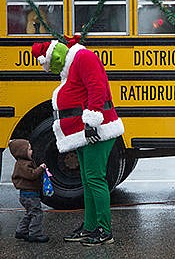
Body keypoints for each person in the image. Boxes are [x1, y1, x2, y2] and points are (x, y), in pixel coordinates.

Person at [31, 37, 124, 246]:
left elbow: (97, 87)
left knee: (95, 180)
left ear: (55, 56)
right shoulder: (72, 65)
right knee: (88, 181)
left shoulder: (83, 57)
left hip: (97, 130)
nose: (51, 71)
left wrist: (92, 120)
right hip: (83, 133)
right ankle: (90, 226)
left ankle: (104, 230)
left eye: (49, 65)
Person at [9, 139, 49, 243]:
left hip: (27, 195)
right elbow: (32, 175)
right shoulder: (23, 165)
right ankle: (35, 234)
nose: (32, 151)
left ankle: (21, 231)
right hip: (30, 195)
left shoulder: (25, 163)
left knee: (30, 213)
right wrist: (40, 168)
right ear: (22, 151)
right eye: (29, 149)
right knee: (37, 213)